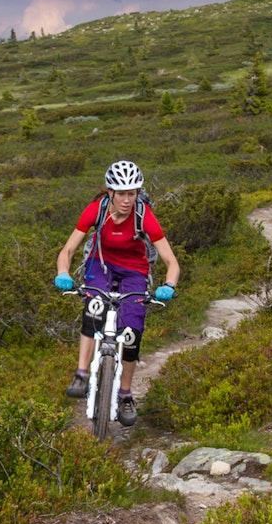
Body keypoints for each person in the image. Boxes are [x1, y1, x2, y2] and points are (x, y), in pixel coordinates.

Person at [54, 160, 180, 427]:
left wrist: (168, 286)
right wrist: (63, 273)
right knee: (93, 307)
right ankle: (81, 373)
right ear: (110, 192)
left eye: (132, 193)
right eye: (121, 193)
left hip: (134, 272)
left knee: (133, 329)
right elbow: (67, 251)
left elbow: (172, 262)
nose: (127, 199)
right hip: (101, 264)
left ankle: (125, 394)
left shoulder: (144, 215)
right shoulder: (96, 210)